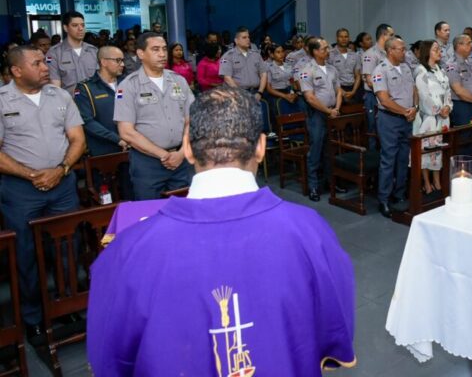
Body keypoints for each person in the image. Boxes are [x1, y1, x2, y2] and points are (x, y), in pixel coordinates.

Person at [87, 86, 356, 376]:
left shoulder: (128, 250)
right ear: (261, 147)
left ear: (188, 148)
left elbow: (110, 356)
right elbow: (333, 323)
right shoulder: (309, 230)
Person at [0, 46, 85, 343]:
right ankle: (34, 317)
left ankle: (66, 306)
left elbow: (77, 138)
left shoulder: (59, 96)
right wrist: (31, 175)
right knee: (26, 254)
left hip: (61, 184)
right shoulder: (1, 101)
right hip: (21, 190)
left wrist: (60, 169)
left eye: (45, 61)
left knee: (67, 246)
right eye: (37, 63)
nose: (45, 67)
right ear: (17, 71)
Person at [115, 32, 194, 200]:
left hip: (180, 159)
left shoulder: (178, 81)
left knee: (182, 213)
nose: (162, 54)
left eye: (164, 49)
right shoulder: (128, 86)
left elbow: (191, 120)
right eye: (156, 49)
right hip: (147, 164)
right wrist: (164, 155)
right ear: (141, 53)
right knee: (149, 213)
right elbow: (126, 132)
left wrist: (181, 153)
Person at [372, 37, 417, 217]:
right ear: (390, 50)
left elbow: (414, 90)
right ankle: (383, 199)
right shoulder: (380, 70)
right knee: (388, 158)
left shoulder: (405, 67)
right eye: (401, 49)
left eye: (404, 49)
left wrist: (414, 107)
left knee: (403, 157)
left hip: (406, 118)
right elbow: (384, 99)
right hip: (389, 119)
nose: (404, 52)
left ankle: (399, 194)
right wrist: (405, 111)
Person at [299, 38, 343, 202]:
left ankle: (331, 183)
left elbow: (339, 90)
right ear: (315, 51)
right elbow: (310, 98)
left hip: (332, 112)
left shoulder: (332, 69)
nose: (328, 51)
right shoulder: (306, 70)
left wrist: (336, 108)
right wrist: (328, 111)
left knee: (330, 151)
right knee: (315, 151)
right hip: (317, 114)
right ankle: (314, 187)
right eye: (324, 48)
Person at [74, 46, 129, 156]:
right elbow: (87, 121)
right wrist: (117, 139)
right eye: (118, 60)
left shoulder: (128, 83)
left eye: (123, 60)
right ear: (104, 62)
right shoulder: (86, 88)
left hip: (133, 145)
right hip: (103, 150)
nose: (122, 64)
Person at [413, 40, 451, 194]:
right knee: (426, 150)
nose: (439, 51)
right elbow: (424, 95)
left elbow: (448, 92)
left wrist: (448, 106)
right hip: (428, 118)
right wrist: (437, 110)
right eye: (435, 49)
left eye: (439, 49)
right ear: (427, 51)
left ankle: (437, 180)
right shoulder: (421, 71)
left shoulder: (440, 70)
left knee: (438, 151)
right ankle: (426, 182)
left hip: (442, 117)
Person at [47, 11, 99, 94]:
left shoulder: (93, 51)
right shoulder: (54, 53)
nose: (80, 28)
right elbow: (55, 85)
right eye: (75, 25)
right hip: (69, 102)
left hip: (93, 101)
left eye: (82, 25)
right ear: (65, 28)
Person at [446, 34, 472, 126]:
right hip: (463, 107)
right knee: (466, 136)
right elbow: (459, 90)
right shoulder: (452, 65)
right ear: (459, 46)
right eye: (468, 43)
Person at [362, 24, 394, 146]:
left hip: (388, 97)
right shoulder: (371, 54)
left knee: (386, 129)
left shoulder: (389, 53)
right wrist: (384, 93)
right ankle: (373, 158)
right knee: (373, 129)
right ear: (383, 35)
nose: (393, 37)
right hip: (374, 97)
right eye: (391, 35)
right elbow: (369, 80)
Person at [219, 27, 267, 99]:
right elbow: (227, 78)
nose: (248, 39)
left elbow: (263, 73)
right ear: (236, 41)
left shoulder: (256, 55)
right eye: (244, 37)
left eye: (248, 37)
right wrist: (241, 93)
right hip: (237, 94)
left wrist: (260, 92)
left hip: (256, 93)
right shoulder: (227, 56)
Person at [265, 43, 298, 121]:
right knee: (279, 116)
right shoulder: (268, 68)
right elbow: (269, 89)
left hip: (290, 92)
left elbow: (293, 81)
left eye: (282, 51)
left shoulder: (289, 65)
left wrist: (294, 93)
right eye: (278, 52)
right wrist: (285, 96)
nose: (281, 54)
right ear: (272, 55)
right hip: (276, 94)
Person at [329, 28, 362, 104]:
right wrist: (342, 92)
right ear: (337, 38)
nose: (344, 39)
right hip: (337, 89)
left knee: (355, 113)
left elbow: (357, 75)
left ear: (349, 38)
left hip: (353, 89)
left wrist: (353, 91)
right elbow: (329, 77)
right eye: (341, 37)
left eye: (346, 36)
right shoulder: (330, 55)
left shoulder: (354, 55)